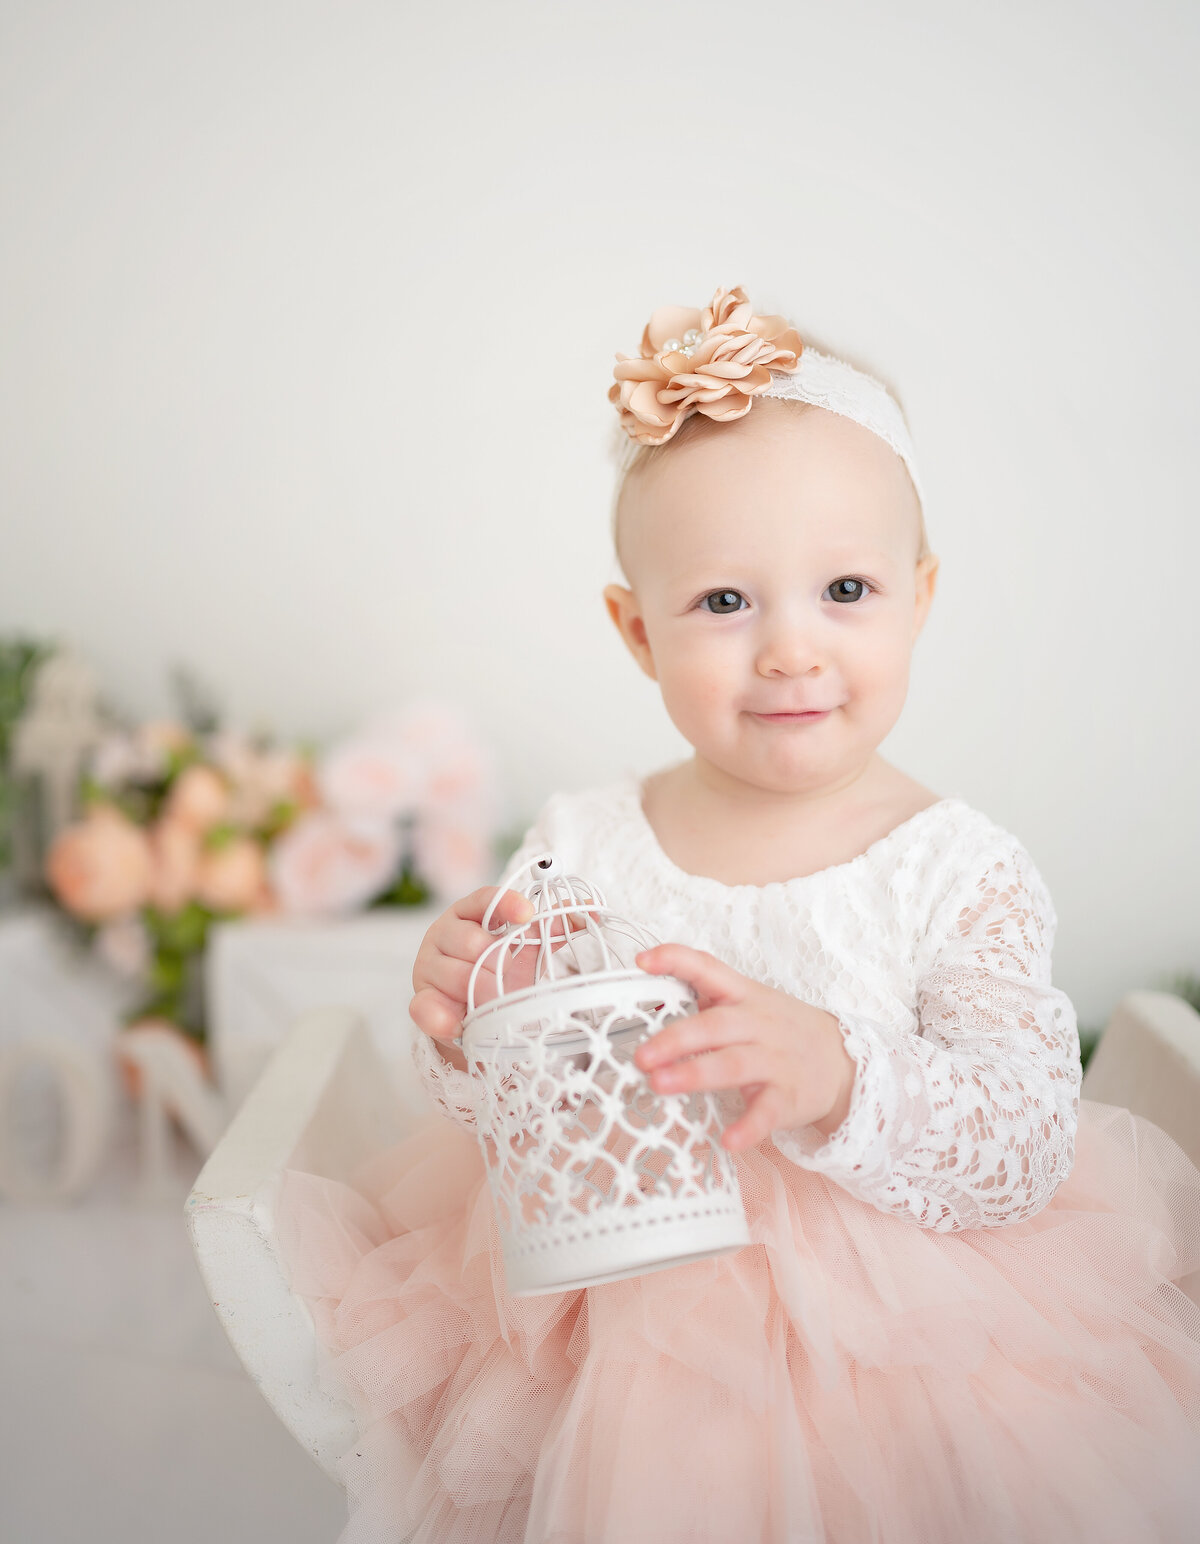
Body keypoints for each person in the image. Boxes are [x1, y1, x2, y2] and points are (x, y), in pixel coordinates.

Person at [277, 285, 1200, 1543]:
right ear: (636, 630)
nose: (788, 649)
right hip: (621, 1311)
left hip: (907, 1333)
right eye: (724, 602)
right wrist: (468, 1023)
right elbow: (520, 1121)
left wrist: (835, 1070)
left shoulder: (957, 868)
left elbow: (1022, 1145)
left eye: (846, 588)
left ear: (920, 595)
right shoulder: (584, 842)